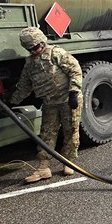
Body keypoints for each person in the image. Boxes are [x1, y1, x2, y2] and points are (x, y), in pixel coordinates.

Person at [9, 27, 83, 183]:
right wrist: (12, 101)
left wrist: (74, 92)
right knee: (47, 134)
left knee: (71, 130)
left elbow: (75, 70)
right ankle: (43, 167)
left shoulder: (56, 53)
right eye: (30, 49)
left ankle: (69, 162)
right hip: (50, 102)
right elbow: (24, 85)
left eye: (36, 47)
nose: (34, 51)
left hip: (66, 99)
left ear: (42, 42)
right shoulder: (30, 63)